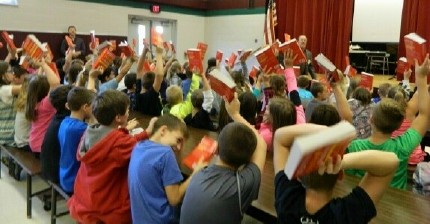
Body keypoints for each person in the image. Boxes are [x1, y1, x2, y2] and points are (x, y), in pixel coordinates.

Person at [273, 123, 399, 224]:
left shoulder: (286, 198)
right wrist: (340, 163)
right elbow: (392, 161)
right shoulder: (348, 214)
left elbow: (280, 137)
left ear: (299, 176)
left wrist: (327, 132)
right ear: (341, 175)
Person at [180, 93, 267, 224]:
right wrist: (235, 114)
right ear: (248, 158)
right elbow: (261, 144)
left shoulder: (199, 173)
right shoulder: (241, 185)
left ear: (217, 149)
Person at [67, 90, 152, 224]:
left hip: (84, 198)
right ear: (118, 118)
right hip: (106, 208)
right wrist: (149, 132)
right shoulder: (120, 142)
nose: (129, 112)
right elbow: (142, 151)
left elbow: (126, 141)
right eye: (127, 110)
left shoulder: (90, 131)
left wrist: (140, 133)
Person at [346, 55, 430, 190]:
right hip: (396, 206)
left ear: (371, 119)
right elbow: (425, 115)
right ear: (397, 125)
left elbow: (348, 180)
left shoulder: (355, 147)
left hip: (363, 203)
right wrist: (421, 77)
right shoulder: (403, 147)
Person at [128, 114, 206, 224]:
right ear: (163, 130)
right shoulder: (165, 153)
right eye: (178, 140)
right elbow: (174, 199)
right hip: (161, 220)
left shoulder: (138, 146)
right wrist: (195, 173)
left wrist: (176, 148)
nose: (179, 147)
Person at [58, 87, 95, 194]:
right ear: (85, 107)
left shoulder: (64, 122)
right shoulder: (81, 129)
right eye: (92, 106)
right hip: (73, 180)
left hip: (64, 175)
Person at [26, 59, 61, 155]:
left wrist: (42, 66)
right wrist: (44, 64)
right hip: (42, 147)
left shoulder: (32, 101)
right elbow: (55, 84)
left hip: (34, 142)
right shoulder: (45, 105)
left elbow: (36, 82)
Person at [40, 85, 73, 184]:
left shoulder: (58, 117)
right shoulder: (66, 124)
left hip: (47, 168)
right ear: (68, 105)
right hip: (55, 174)